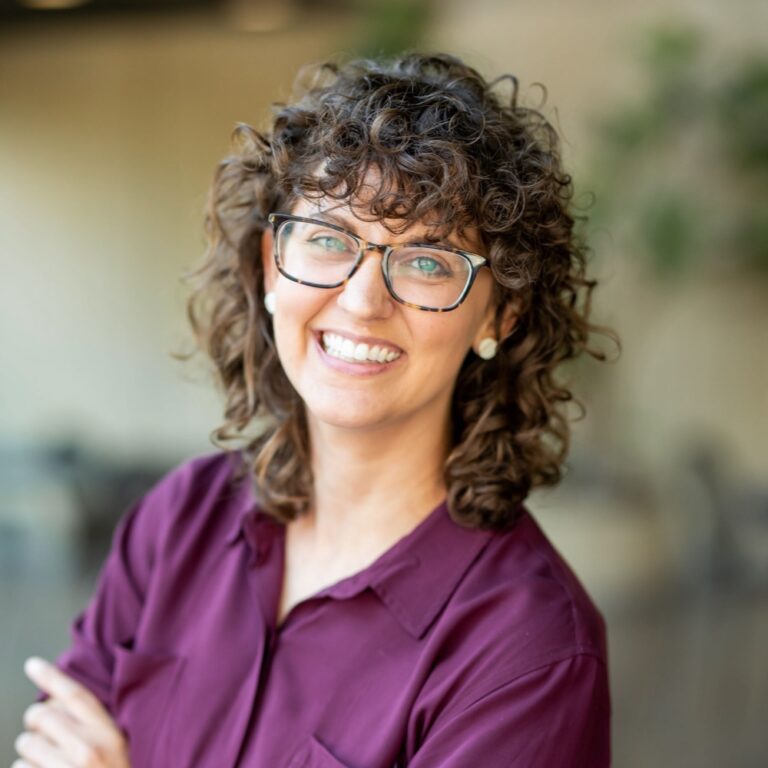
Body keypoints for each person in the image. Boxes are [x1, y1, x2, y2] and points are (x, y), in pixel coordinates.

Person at [15, 52, 618, 767]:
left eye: (428, 260)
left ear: (501, 314)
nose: (364, 301)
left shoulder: (528, 654)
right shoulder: (177, 523)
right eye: (331, 240)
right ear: (273, 264)